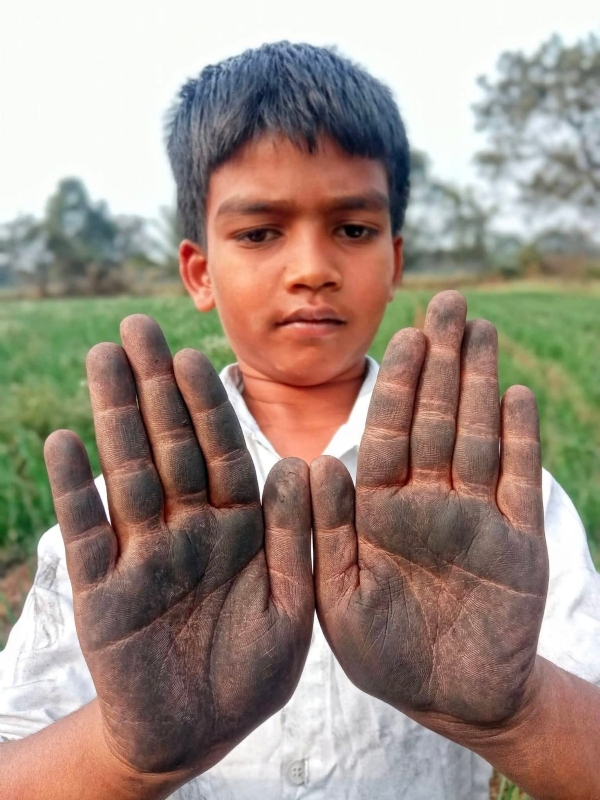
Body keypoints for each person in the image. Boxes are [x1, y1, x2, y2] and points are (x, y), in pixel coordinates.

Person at [1, 41, 600, 800]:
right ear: (199, 272)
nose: (312, 266)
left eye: (353, 228)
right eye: (259, 232)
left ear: (396, 261)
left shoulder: (503, 504)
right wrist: (121, 753)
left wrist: (517, 712)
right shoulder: (125, 523)